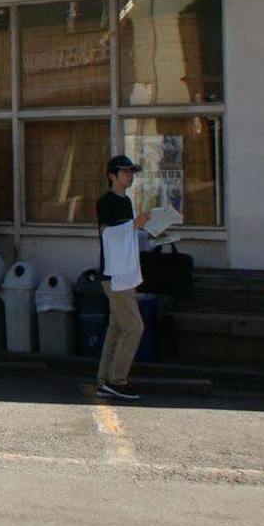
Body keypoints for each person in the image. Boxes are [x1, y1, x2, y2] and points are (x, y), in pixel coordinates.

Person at [95, 154, 150, 400]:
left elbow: (125, 236)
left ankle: (105, 380)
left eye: (131, 172)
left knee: (117, 328)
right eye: (125, 172)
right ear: (112, 176)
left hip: (124, 273)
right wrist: (133, 226)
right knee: (134, 327)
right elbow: (108, 234)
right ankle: (117, 380)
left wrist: (144, 230)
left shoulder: (126, 202)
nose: (130, 176)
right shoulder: (105, 202)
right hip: (114, 274)